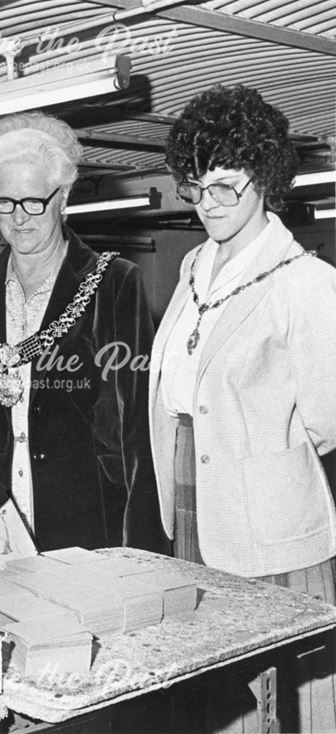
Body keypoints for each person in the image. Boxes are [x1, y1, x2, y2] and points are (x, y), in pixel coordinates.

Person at [0, 111, 167, 553]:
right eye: (4, 201)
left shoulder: (114, 281)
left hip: (87, 519)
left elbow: (138, 427)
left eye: (34, 201)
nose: (19, 218)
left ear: (63, 199)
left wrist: (140, 549)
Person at [151, 85, 336, 594]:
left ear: (264, 179)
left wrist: (260, 460)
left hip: (265, 516)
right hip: (193, 487)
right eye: (194, 186)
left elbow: (327, 422)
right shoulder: (193, 265)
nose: (207, 205)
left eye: (225, 187)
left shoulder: (306, 281)